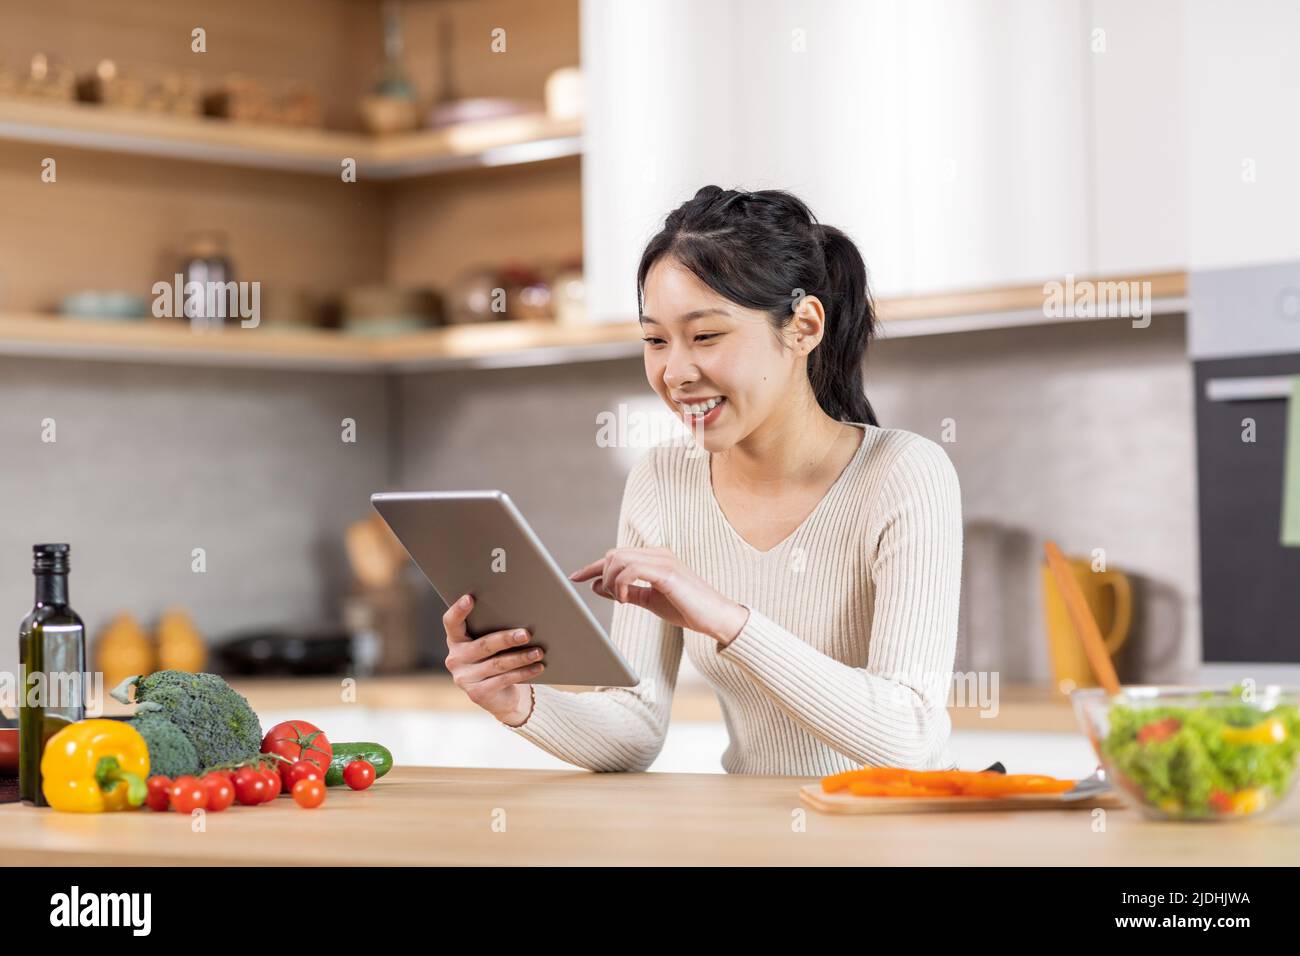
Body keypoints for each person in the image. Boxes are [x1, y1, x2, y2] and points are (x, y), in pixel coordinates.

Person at [443, 185, 963, 775]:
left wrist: (725, 618)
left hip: (891, 838)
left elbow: (912, 736)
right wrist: (519, 701)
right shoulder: (664, 479)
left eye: (706, 336)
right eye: (655, 340)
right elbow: (635, 727)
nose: (675, 371)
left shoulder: (904, 474)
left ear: (803, 327)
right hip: (747, 837)